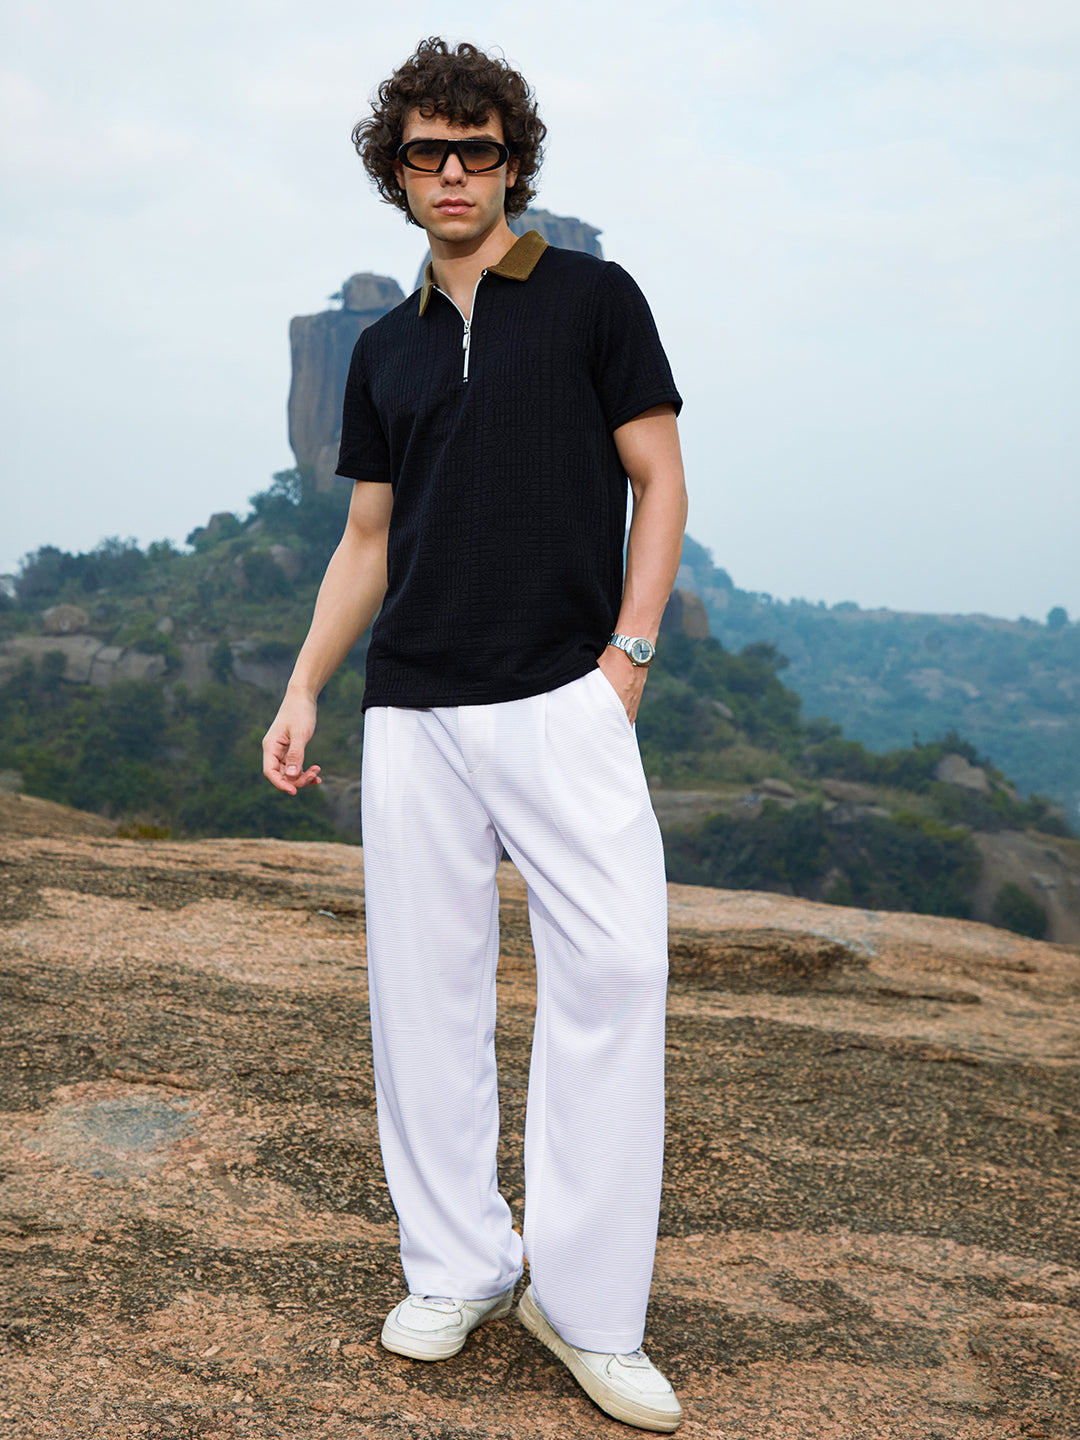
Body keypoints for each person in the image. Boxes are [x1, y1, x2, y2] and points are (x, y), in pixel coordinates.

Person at [262, 36, 688, 1434]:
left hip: (567, 693)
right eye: (427, 153)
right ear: (396, 172)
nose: (453, 173)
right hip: (417, 708)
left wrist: (628, 657)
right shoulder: (382, 348)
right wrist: (305, 687)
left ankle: (588, 1304)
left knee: (616, 973)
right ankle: (458, 1266)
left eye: (478, 150)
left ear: (514, 161)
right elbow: (366, 539)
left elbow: (660, 479)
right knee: (424, 1001)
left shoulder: (592, 299)